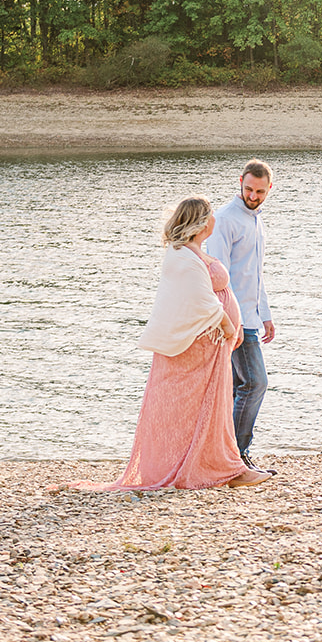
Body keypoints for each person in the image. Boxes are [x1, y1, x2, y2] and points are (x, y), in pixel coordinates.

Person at [54, 197, 270, 492]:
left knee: (212, 405)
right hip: (199, 345)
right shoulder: (181, 255)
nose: (214, 220)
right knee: (193, 406)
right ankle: (212, 467)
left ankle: (221, 464)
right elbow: (201, 300)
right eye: (209, 215)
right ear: (200, 222)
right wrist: (231, 326)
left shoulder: (194, 252)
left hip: (211, 344)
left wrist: (238, 326)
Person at [204, 159, 277, 474]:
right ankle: (237, 454)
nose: (254, 195)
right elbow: (218, 275)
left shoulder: (257, 221)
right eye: (249, 189)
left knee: (237, 389)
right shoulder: (224, 219)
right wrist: (228, 322)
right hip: (235, 320)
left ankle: (227, 457)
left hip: (251, 316)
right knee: (255, 384)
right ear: (240, 182)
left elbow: (254, 275)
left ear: (269, 189)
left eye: (260, 191)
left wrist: (266, 315)